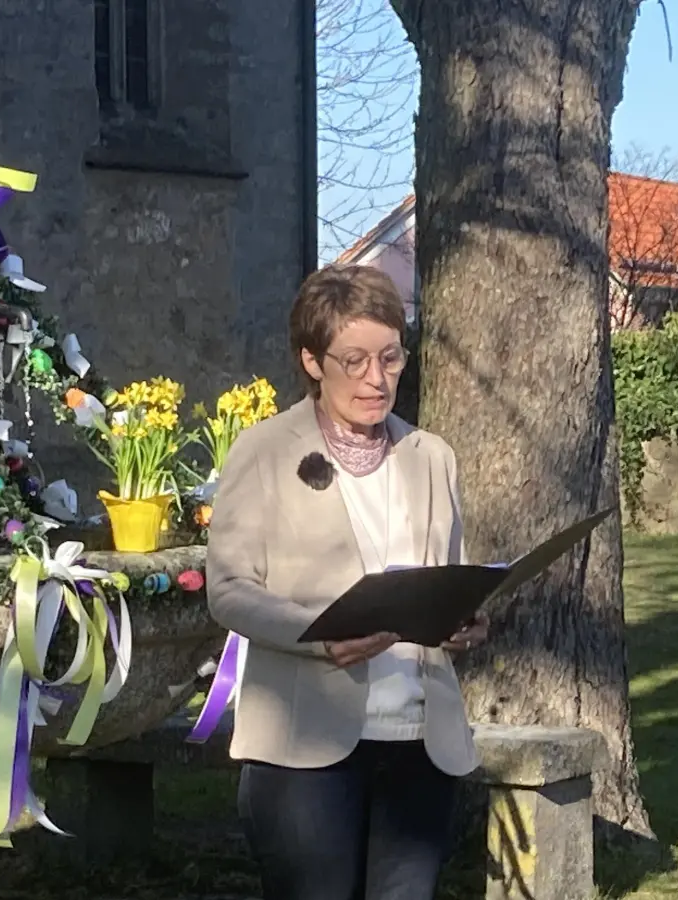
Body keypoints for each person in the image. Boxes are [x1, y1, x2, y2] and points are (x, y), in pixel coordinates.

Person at [205, 264, 490, 900]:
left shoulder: (433, 456)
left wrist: (466, 617)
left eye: (390, 358)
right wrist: (317, 636)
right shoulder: (264, 450)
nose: (376, 378)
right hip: (305, 749)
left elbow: (449, 573)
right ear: (312, 360)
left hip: (421, 743)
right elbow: (227, 588)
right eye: (354, 360)